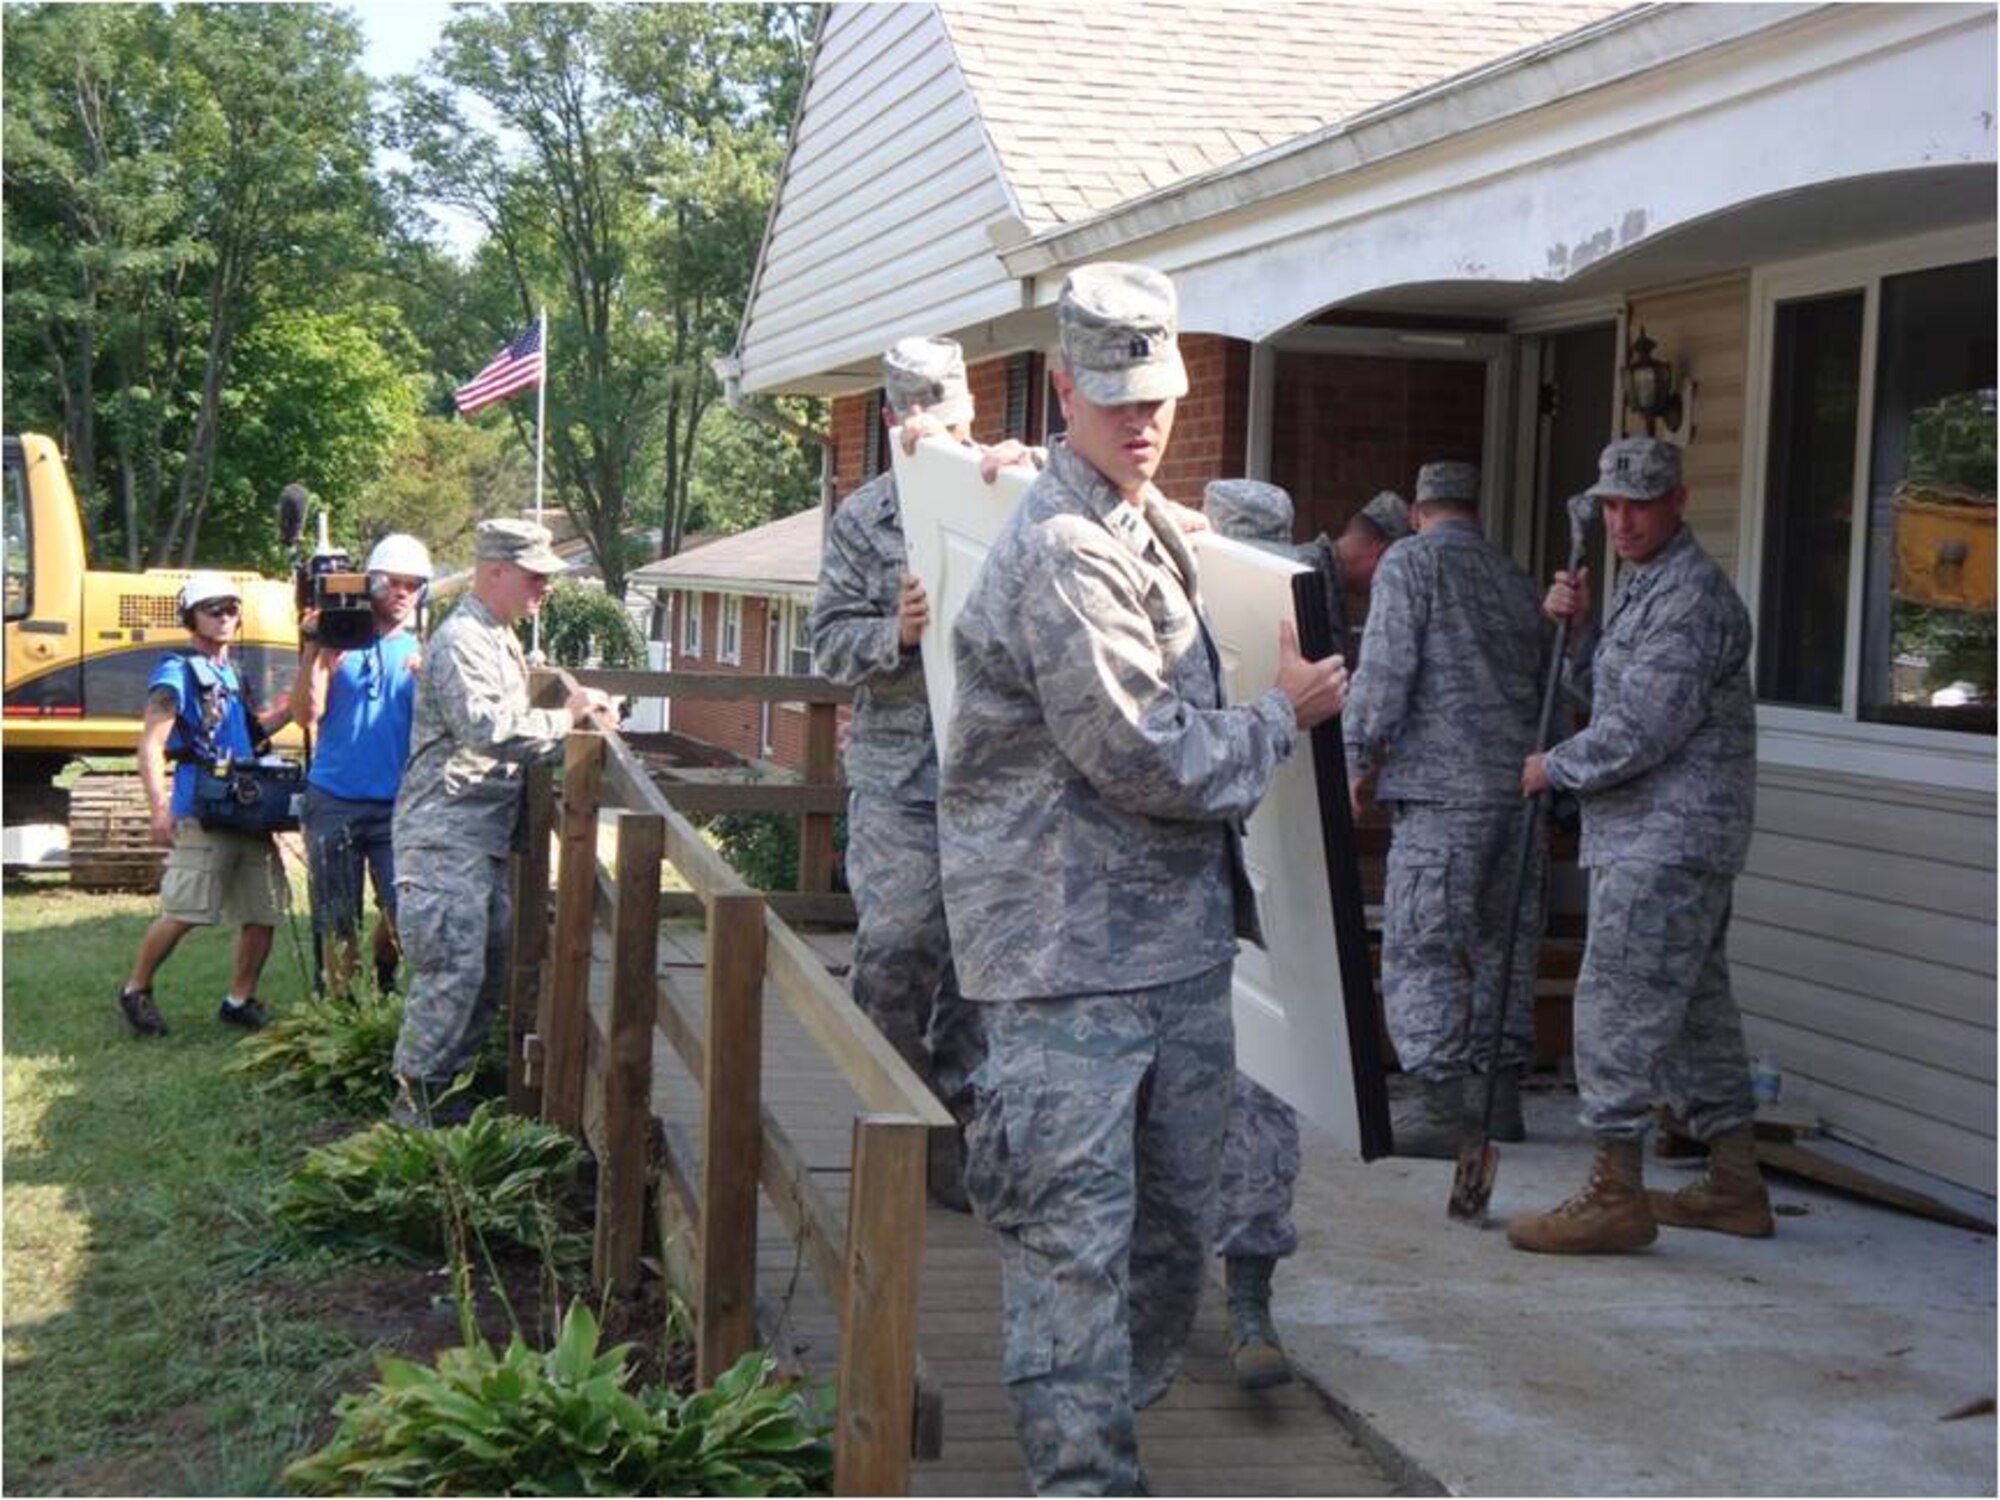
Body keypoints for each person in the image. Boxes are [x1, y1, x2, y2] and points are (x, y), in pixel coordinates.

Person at [940, 263, 1348, 1495]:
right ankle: (1082, 1481)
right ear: (1063, 385)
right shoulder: (1067, 547)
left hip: (1164, 948)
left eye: (1158, 393)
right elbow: (1144, 756)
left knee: (1169, 1236)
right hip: (1064, 968)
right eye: (1114, 395)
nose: (1143, 416)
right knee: (1073, 1251)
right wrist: (1283, 718)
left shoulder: (1143, 520)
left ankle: (1105, 1446)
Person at [1508, 436, 1768, 1254]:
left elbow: (1641, 730)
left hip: (1669, 836)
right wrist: (1580, 632)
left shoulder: (1692, 598)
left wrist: (1555, 766)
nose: (1621, 520)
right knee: (1696, 1014)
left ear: (1678, 500)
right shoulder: (1642, 588)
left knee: (1615, 1001)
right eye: (1612, 504)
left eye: (1639, 504)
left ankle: (1615, 1191)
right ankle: (1735, 1182)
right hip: (1654, 834)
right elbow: (1611, 688)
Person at [811, 335, 1047, 1208]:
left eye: (948, 419)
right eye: (916, 420)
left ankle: (959, 1142)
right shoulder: (861, 519)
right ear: (889, 420)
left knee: (982, 969)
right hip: (900, 782)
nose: (931, 435)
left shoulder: (1011, 491)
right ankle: (891, 1129)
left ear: (972, 413)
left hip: (994, 779)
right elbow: (830, 646)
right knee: (898, 947)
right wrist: (894, 635)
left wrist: (1039, 465)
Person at [1342, 461, 1547, 1158]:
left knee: (1422, 945)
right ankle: (1500, 1099)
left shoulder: (1410, 564)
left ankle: (1437, 1102)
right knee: (1504, 948)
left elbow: (1385, 671)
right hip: (1519, 796)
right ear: (1472, 507)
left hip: (1441, 796)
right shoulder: (1517, 578)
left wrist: (1356, 761)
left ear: (1420, 512)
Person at [389, 520, 612, 1126]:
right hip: (444, 836)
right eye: (534, 576)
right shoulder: (464, 639)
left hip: (474, 836)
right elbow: (487, 730)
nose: (544, 588)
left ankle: (442, 1103)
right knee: (452, 974)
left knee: (481, 968)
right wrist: (569, 721)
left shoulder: (496, 636)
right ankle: (414, 1119)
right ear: (494, 571)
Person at [118, 571, 295, 1036]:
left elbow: (252, 733)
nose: (224, 618)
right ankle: (135, 989)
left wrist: (297, 700)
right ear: (191, 617)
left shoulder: (232, 674)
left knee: (265, 911)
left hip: (247, 809)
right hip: (204, 809)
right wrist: (160, 808)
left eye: (231, 609)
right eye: (212, 609)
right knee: (185, 909)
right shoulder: (175, 673)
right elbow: (152, 743)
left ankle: (239, 1000)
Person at [297, 533, 432, 999]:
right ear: (370, 584)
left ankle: (384, 968)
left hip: (397, 804)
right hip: (334, 799)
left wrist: (428, 678)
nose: (401, 593)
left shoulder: (423, 653)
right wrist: (316, 651)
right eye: (392, 583)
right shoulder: (338, 645)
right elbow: (305, 715)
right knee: (337, 918)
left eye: (412, 585)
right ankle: (342, 1012)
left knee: (403, 908)